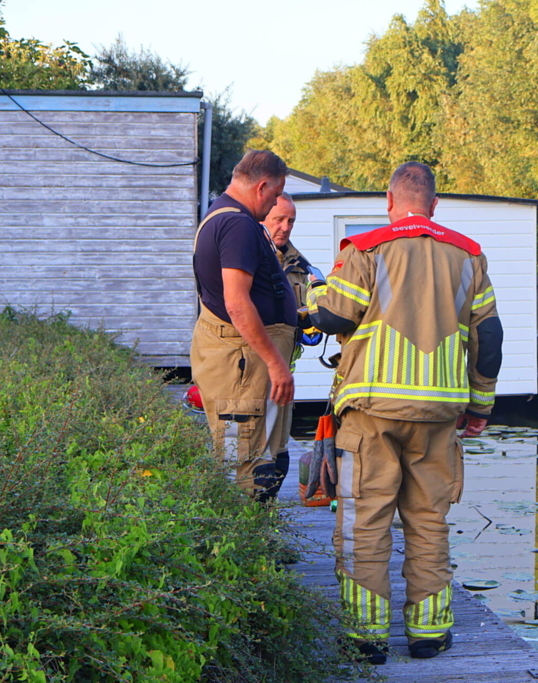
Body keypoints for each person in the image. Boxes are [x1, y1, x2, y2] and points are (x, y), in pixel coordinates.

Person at [306, 162, 503, 662]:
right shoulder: (469, 256)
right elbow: (490, 339)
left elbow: (333, 316)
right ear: (434, 205)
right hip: (439, 414)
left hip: (372, 412)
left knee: (364, 525)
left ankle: (366, 637)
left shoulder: (366, 249)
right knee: (428, 521)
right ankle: (430, 633)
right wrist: (479, 404)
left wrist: (313, 292)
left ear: (390, 203)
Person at [190, 150, 297, 502]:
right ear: (263, 186)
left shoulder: (223, 216)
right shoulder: (236, 223)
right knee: (246, 467)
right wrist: (276, 362)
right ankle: (244, 543)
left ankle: (256, 544)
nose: (273, 206)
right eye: (275, 194)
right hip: (242, 366)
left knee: (267, 460)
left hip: (247, 364)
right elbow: (236, 302)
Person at [261, 192, 320, 491]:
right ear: (262, 219)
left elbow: (313, 321)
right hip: (256, 373)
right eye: (278, 220)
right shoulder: (252, 258)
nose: (285, 227)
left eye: (291, 221)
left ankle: (266, 517)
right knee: (252, 455)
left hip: (285, 374)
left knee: (279, 454)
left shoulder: (302, 267)